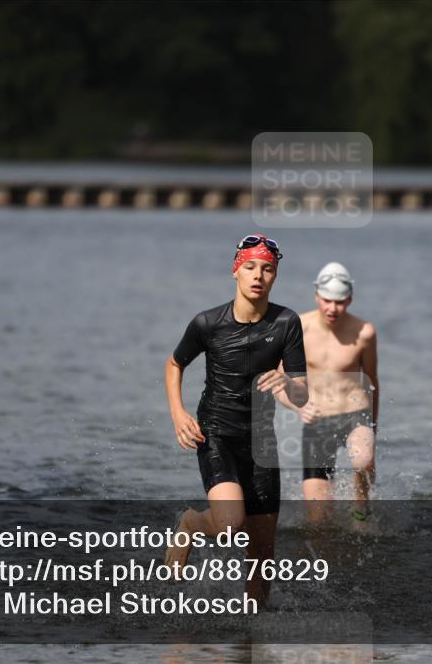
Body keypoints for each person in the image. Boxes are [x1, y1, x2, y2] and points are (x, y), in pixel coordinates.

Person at [163, 234, 308, 604]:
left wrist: (287, 385)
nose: (258, 275)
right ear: (235, 271)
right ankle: (192, 523)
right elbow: (175, 364)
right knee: (229, 525)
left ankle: (251, 635)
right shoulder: (208, 323)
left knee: (261, 555)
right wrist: (178, 413)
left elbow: (302, 393)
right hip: (216, 435)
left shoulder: (287, 322)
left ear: (275, 276)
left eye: (268, 269)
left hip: (262, 439)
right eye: (250, 267)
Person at [276, 262, 378, 523]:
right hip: (317, 421)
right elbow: (279, 382)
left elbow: (373, 381)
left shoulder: (364, 332)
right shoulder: (298, 327)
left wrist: (373, 428)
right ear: (316, 296)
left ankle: (361, 510)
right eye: (327, 300)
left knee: (363, 461)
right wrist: (298, 407)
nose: (333, 308)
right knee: (318, 521)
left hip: (356, 413)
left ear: (350, 299)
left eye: (340, 302)